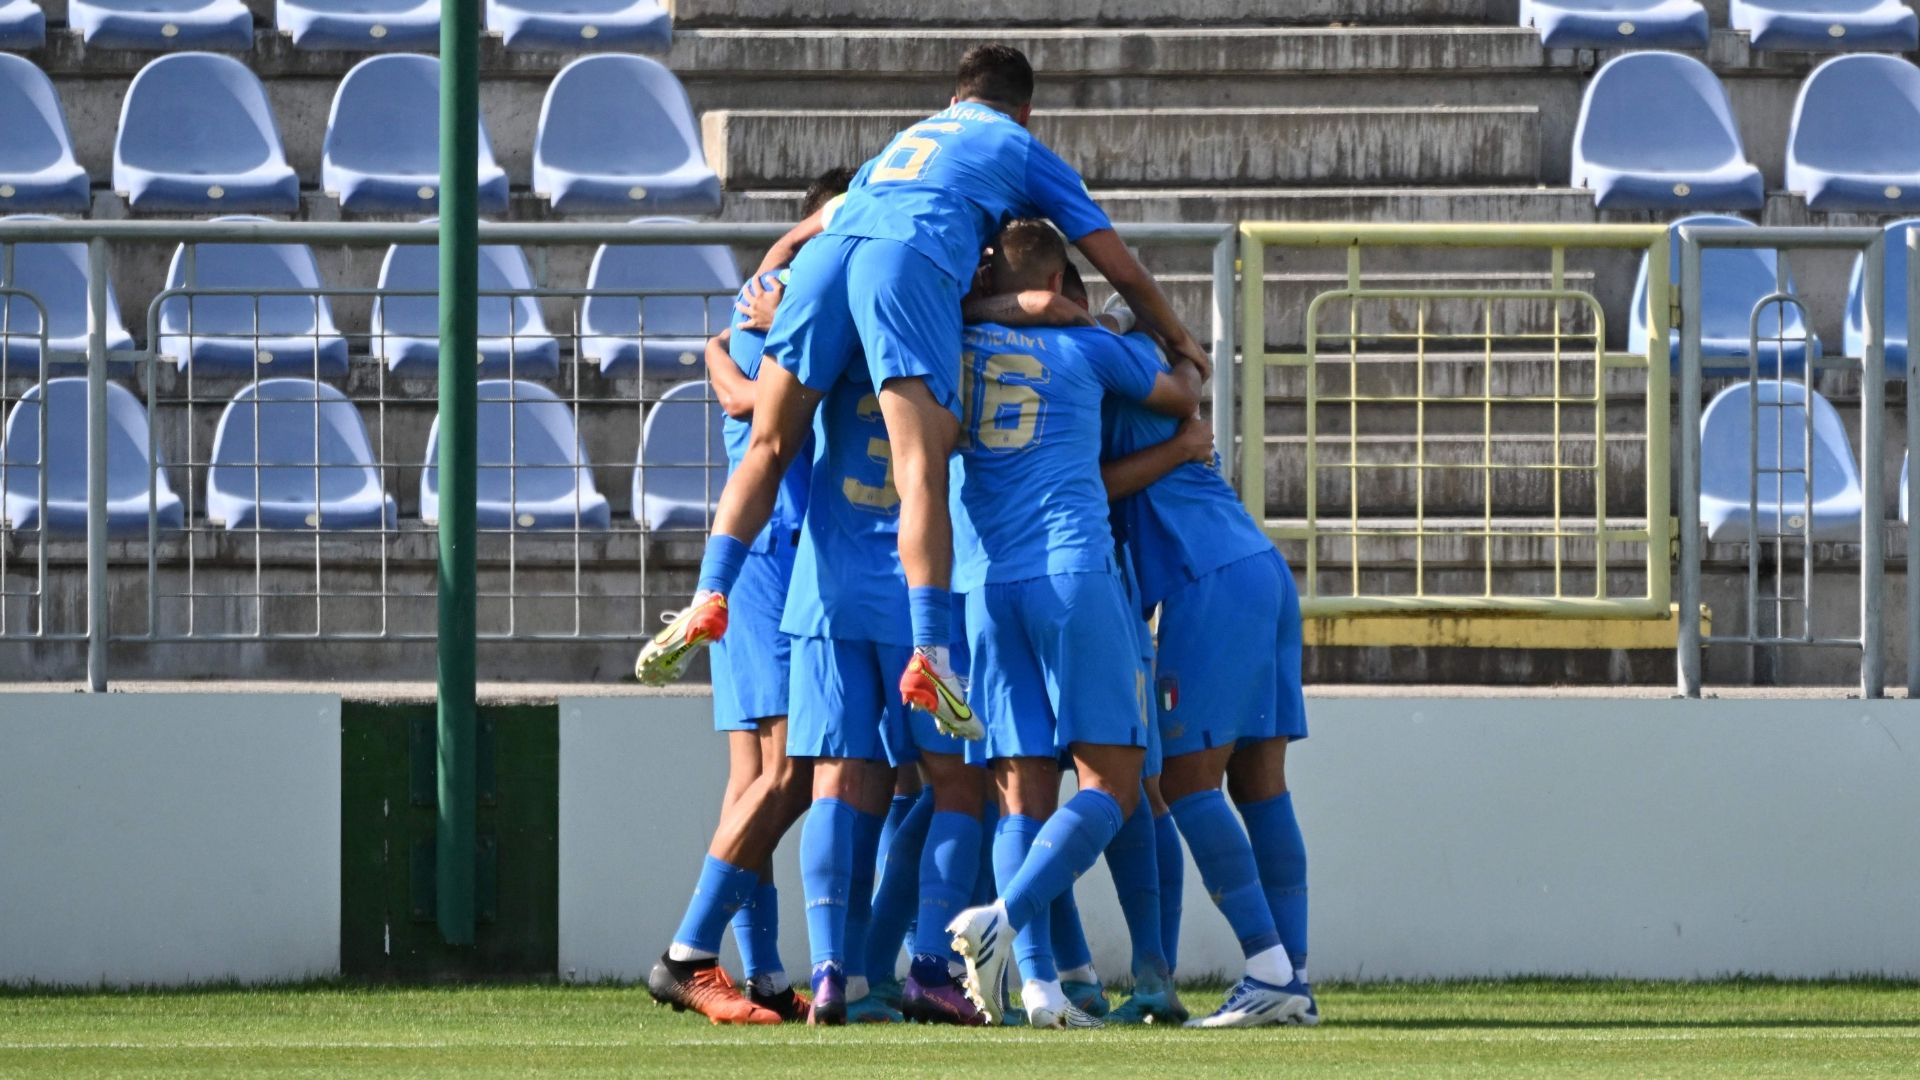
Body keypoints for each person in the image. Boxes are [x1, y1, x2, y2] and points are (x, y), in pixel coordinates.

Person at [633, 43, 1210, 745]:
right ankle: (931, 655)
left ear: (952, 101)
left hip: (830, 253)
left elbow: (829, 233)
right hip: (904, 260)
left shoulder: (903, 142)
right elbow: (1118, 266)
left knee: (770, 440)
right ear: (1024, 112)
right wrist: (1178, 338)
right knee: (922, 465)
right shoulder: (1018, 146)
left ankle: (708, 593)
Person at [986, 256, 1319, 1028]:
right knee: (1259, 782)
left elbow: (1083, 480)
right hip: (1253, 566)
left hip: (1204, 576)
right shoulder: (1127, 358)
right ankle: (1291, 976)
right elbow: (1182, 390)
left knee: (1188, 783)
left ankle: (1268, 968)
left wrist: (1179, 407)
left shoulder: (1096, 357)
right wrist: (1186, 397)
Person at [939, 220, 1200, 1028]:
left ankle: (1042, 991)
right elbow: (1181, 394)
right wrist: (1182, 349)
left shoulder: (952, 347)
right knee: (1115, 785)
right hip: (1072, 569)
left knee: (1020, 792)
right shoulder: (1089, 348)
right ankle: (1002, 920)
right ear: (1060, 279)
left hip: (984, 584)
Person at [644, 170, 852, 1025]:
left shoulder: (777, 286)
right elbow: (750, 403)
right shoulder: (794, 297)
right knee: (782, 775)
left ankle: (761, 974)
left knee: (756, 778)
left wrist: (723, 350)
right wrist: (726, 356)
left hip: (766, 554)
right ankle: (695, 959)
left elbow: (737, 385)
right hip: (769, 556)